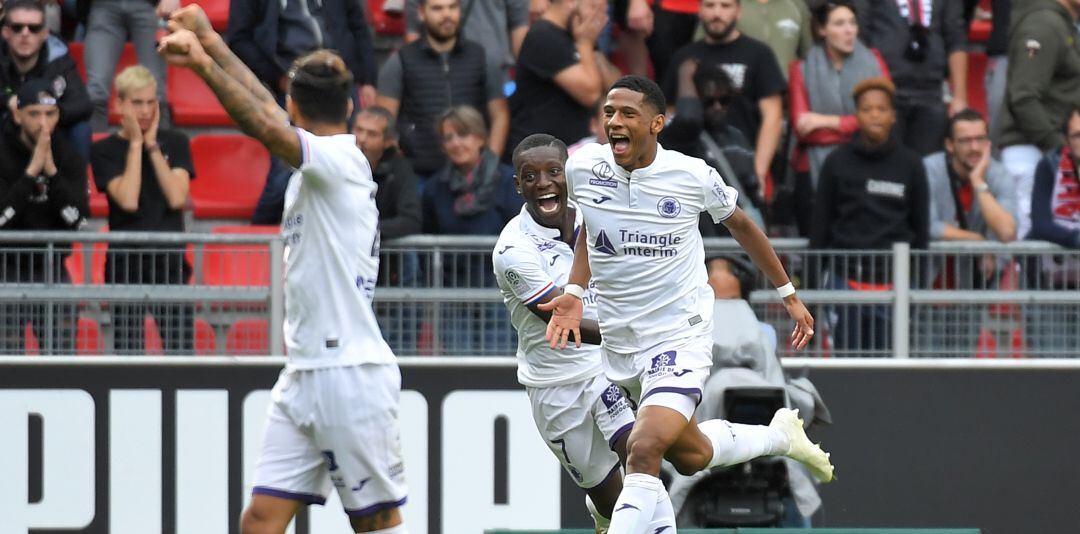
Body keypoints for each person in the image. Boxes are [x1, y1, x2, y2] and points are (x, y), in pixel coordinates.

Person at [541, 75, 832, 534]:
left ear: (657, 123)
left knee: (643, 449)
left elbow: (743, 227)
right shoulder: (582, 168)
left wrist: (788, 294)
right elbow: (591, 235)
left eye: (627, 114)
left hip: (681, 334)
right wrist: (575, 294)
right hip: (622, 343)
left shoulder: (691, 174)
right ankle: (780, 436)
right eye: (609, 113)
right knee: (690, 454)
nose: (614, 122)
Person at [159, 7, 407, 533]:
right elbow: (267, 107)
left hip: (349, 375)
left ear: (295, 104)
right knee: (260, 520)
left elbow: (264, 121)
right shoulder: (324, 158)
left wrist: (203, 66)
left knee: (377, 524)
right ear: (351, 102)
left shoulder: (338, 160)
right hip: (302, 377)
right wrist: (212, 41)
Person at [492, 133, 636, 533]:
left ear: (568, 175)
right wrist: (634, 333)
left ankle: (773, 439)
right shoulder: (513, 251)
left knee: (643, 460)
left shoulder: (597, 218)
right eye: (531, 176)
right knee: (610, 500)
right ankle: (605, 516)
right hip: (553, 386)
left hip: (603, 369)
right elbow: (563, 325)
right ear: (518, 185)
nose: (544, 182)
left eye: (554, 171)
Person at [229, 0, 380, 224]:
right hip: (288, 81)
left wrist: (367, 78)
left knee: (353, 168)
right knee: (283, 177)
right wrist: (278, 77)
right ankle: (260, 240)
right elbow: (239, 39)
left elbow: (358, 26)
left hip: (337, 84)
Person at [810, 76, 929, 355]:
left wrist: (917, 287)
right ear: (856, 115)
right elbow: (820, 230)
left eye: (882, 108)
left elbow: (921, 231)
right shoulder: (836, 162)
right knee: (845, 361)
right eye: (867, 109)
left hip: (895, 286)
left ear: (893, 116)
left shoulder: (911, 164)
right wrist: (813, 294)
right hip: (844, 282)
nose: (875, 114)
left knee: (892, 363)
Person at [90, 65, 195, 355]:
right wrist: (136, 145)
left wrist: (152, 148)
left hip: (170, 263)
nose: (146, 111)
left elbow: (176, 197)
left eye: (151, 102)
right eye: (137, 103)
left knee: (181, 353)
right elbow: (128, 199)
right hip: (125, 264)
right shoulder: (104, 150)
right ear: (119, 104)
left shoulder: (176, 142)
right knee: (128, 354)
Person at [0, 78, 87, 354]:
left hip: (53, 267)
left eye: (50, 114)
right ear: (17, 114)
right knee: (7, 359)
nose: (43, 122)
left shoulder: (68, 156)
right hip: (6, 268)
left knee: (62, 359)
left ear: (58, 115)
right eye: (34, 114)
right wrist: (29, 175)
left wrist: (50, 172)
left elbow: (79, 221)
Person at [376, 0, 510, 177]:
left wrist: (490, 164)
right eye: (437, 8)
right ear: (421, 13)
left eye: (452, 7)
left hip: (474, 176)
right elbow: (384, 121)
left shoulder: (481, 57)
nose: (446, 14)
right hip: (419, 175)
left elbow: (500, 115)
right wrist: (402, 170)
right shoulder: (401, 61)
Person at [663, 0, 786, 193]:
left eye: (725, 6)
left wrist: (759, 171)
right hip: (692, 167)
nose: (717, 13)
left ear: (738, 11)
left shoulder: (759, 54)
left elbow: (773, 116)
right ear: (700, 10)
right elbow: (670, 114)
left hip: (744, 162)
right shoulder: (683, 58)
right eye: (710, 6)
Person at [998, 0, 1080, 241]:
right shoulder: (1044, 23)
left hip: (1047, 150)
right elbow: (1024, 97)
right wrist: (1059, 150)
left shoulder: (1062, 24)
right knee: (1027, 247)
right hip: (1032, 152)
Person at [788, 0, 889, 192]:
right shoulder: (801, 69)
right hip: (816, 167)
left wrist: (825, 121)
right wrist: (858, 126)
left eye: (852, 22)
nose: (849, 30)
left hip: (870, 161)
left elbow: (883, 121)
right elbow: (803, 129)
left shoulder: (874, 61)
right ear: (821, 29)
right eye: (840, 24)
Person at [661, 60, 764, 237]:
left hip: (737, 238)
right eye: (709, 101)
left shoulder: (738, 138)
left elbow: (753, 192)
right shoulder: (681, 138)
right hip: (701, 239)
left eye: (723, 100)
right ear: (696, 99)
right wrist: (686, 75)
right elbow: (688, 119)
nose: (717, 107)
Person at [854, 0, 968, 156]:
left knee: (929, 164)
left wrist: (960, 96)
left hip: (932, 92)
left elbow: (956, 39)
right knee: (887, 164)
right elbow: (860, 35)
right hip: (885, 91)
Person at [507, 0, 621, 152]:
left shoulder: (578, 34)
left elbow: (616, 89)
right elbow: (591, 94)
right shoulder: (543, 35)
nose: (601, 19)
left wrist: (591, 47)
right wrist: (585, 44)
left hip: (574, 150)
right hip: (542, 154)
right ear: (571, 2)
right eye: (594, 8)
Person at [1, 0, 92, 159]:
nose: (25, 33)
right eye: (17, 27)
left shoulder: (59, 58)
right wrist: (7, 101)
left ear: (44, 34)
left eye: (34, 28)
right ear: (6, 32)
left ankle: (79, 183)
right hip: (6, 127)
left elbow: (83, 104)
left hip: (49, 133)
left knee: (81, 130)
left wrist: (50, 113)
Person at [925, 109, 1017, 244]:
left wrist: (978, 181)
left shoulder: (999, 174)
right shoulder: (929, 169)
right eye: (965, 140)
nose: (974, 147)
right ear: (950, 145)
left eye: (980, 139)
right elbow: (928, 225)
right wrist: (976, 240)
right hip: (937, 264)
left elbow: (1007, 232)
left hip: (982, 265)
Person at [79, 0, 172, 132]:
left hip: (149, 5)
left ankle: (161, 149)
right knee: (96, 90)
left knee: (156, 91)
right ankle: (96, 149)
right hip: (103, 6)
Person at [403, 0, 529, 85]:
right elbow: (413, 30)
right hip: (439, 77)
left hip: (496, 75)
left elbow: (519, 27)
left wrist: (526, 79)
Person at [1029, 107, 1080, 248]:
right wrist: (1075, 239)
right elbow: (1040, 224)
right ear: (1066, 140)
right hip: (1052, 265)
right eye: (1077, 136)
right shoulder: (1049, 164)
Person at [736, 0, 814, 81]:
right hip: (743, 88)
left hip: (788, 88)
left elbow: (809, 55)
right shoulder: (732, 4)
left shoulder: (797, 5)